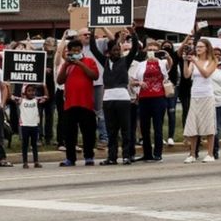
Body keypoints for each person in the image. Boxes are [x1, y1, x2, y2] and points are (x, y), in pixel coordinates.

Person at [88, 26, 139, 165]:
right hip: (108, 99)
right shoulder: (104, 61)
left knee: (125, 128)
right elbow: (93, 48)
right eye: (114, 50)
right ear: (109, 52)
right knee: (111, 129)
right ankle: (112, 157)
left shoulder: (125, 61)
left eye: (119, 50)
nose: (117, 52)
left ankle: (127, 156)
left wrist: (133, 32)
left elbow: (134, 49)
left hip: (123, 98)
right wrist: (92, 31)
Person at [56, 39, 99, 166]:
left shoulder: (89, 61)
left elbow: (94, 76)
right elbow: (59, 81)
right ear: (69, 52)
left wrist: (79, 63)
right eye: (73, 51)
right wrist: (66, 65)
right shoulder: (67, 65)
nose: (76, 52)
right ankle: (70, 158)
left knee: (88, 132)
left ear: (81, 50)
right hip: (70, 104)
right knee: (69, 134)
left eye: (78, 50)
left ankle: (89, 156)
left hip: (86, 103)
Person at [134, 41, 173, 162]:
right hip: (144, 97)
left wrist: (167, 55)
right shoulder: (141, 64)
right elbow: (133, 80)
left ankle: (157, 153)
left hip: (159, 97)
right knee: (144, 128)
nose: (151, 51)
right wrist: (139, 83)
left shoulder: (162, 63)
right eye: (149, 49)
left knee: (157, 126)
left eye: (154, 49)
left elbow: (170, 65)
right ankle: (147, 153)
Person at [182, 38, 218, 163]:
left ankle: (210, 153)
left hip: (207, 95)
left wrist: (196, 62)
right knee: (193, 123)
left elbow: (206, 74)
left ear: (207, 48)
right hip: (195, 95)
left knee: (208, 124)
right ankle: (192, 154)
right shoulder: (194, 60)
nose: (198, 49)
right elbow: (186, 75)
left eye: (201, 47)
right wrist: (186, 62)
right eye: (197, 46)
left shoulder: (212, 61)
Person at [14, 84, 43, 168]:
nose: (31, 93)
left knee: (34, 144)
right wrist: (8, 86)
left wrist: (44, 86)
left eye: (33, 91)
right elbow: (11, 97)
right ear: (25, 92)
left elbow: (46, 97)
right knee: (25, 144)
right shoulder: (21, 101)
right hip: (25, 125)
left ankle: (36, 161)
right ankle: (25, 162)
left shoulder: (36, 100)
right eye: (29, 91)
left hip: (34, 125)